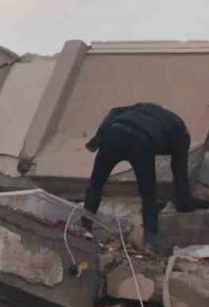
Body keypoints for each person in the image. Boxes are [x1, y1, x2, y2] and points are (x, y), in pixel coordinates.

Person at [81, 103, 195, 252]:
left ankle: (83, 230)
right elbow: (180, 173)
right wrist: (184, 205)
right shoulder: (181, 134)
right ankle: (150, 243)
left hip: (114, 133)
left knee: (96, 185)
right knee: (148, 195)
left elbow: (114, 111)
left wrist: (97, 138)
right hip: (141, 141)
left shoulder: (145, 108)